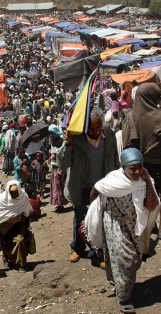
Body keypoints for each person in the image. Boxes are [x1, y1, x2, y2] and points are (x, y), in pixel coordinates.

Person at [89, 148, 159, 314]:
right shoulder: (113, 180)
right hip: (114, 223)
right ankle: (124, 298)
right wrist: (93, 209)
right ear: (123, 167)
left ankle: (121, 283)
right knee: (124, 259)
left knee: (135, 259)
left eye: (140, 167)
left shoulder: (144, 181)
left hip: (135, 225)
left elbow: (151, 205)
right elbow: (96, 190)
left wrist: (148, 180)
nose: (136, 171)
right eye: (132, 168)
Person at [57, 109, 120, 266]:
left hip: (103, 185)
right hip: (82, 187)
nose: (94, 131)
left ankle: (96, 251)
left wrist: (117, 179)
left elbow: (115, 158)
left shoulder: (108, 134)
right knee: (80, 218)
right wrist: (68, 144)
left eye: (97, 128)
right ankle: (77, 247)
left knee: (100, 219)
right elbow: (62, 164)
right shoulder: (76, 138)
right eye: (91, 129)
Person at [122, 83, 161, 240]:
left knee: (142, 196)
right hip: (157, 163)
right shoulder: (160, 116)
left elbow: (127, 144)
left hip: (138, 166)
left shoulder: (130, 116)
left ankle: (149, 226)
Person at [0, 180, 33, 272]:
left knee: (20, 241)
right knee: (6, 244)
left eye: (16, 192)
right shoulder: (2, 200)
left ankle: (21, 263)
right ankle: (7, 259)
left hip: (18, 223)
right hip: (4, 225)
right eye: (12, 193)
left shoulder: (22, 197)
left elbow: (26, 210)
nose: (14, 194)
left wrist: (26, 223)